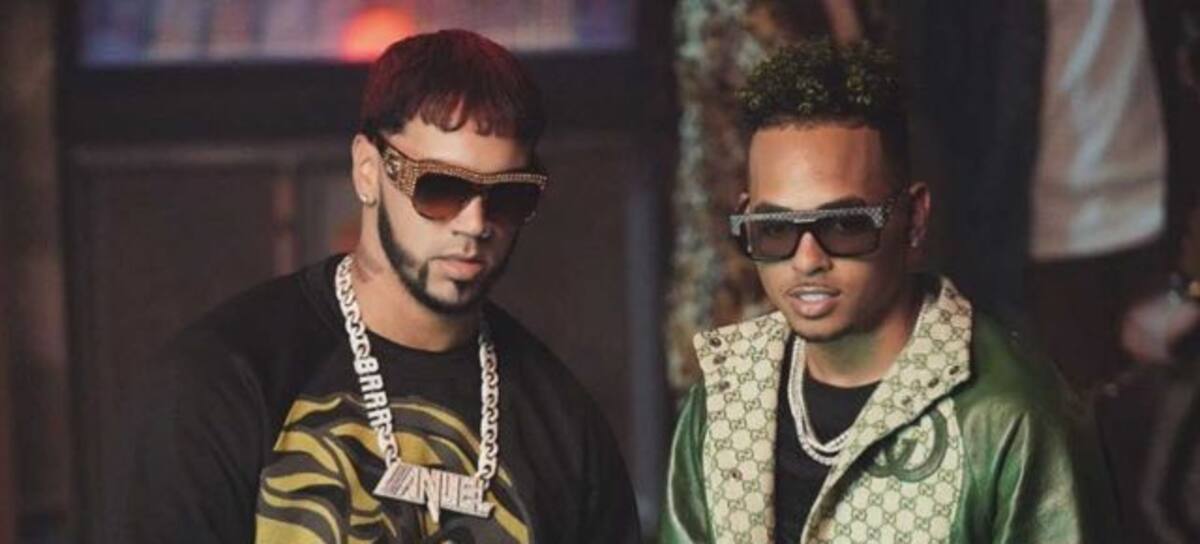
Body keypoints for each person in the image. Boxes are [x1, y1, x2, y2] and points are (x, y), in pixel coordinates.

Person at [111, 29, 639, 543]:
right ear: (368, 170)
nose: (475, 224)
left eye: (508, 197)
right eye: (440, 187)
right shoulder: (222, 382)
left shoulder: (567, 429)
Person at [658, 39, 1117, 543]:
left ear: (913, 219)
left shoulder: (1011, 416)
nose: (807, 259)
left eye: (845, 224)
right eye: (775, 229)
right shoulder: (723, 400)